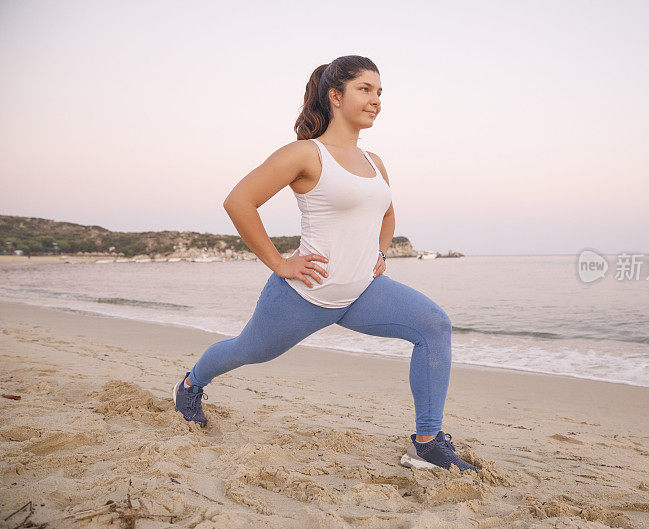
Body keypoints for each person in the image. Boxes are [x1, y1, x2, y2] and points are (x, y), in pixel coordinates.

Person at [172, 55, 476, 473]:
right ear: (335, 96)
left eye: (380, 92)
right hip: (305, 294)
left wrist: (381, 253)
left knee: (435, 326)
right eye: (365, 90)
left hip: (362, 292)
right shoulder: (305, 154)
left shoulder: (375, 162)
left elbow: (387, 214)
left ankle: (426, 442)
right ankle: (191, 384)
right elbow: (238, 201)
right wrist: (280, 263)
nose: (376, 100)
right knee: (247, 352)